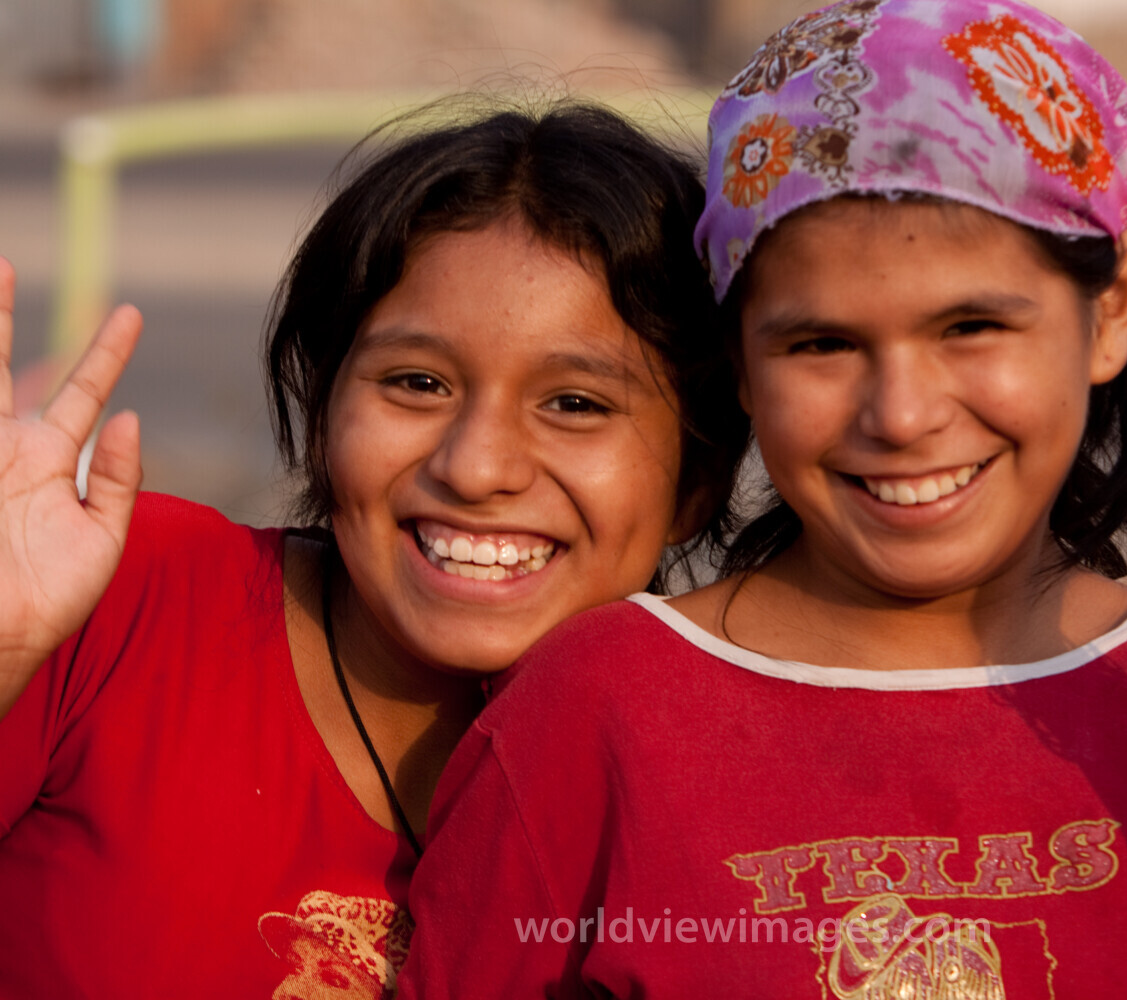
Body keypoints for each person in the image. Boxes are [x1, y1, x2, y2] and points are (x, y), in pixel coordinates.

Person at [399, 2, 1127, 997]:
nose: (903, 413)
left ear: (1111, 306)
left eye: (972, 327)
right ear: (740, 361)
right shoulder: (598, 701)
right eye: (821, 343)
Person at [0, 103, 746, 997]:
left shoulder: (725, 785)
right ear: (322, 418)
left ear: (697, 482)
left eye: (576, 403)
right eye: (417, 384)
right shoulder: (112, 595)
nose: (476, 467)